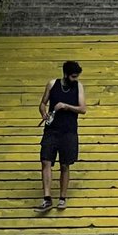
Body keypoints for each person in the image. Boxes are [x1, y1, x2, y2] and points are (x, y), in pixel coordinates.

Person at [37, 60, 86, 211]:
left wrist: (65, 106)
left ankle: (62, 197)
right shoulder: (52, 84)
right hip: (52, 129)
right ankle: (47, 198)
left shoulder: (78, 87)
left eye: (76, 76)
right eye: (72, 76)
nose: (75, 79)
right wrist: (44, 113)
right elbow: (42, 103)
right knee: (45, 161)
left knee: (65, 165)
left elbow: (83, 109)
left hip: (69, 131)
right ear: (65, 74)